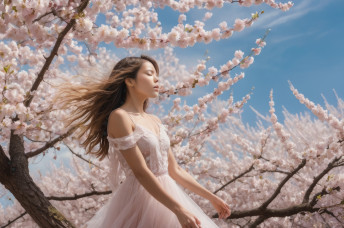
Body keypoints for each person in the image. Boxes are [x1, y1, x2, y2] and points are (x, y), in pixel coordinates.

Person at [53, 55, 231, 228]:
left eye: (156, 75)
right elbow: (141, 172)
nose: (157, 79)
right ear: (130, 81)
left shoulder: (155, 120)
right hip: (141, 199)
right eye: (149, 73)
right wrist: (178, 209)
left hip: (169, 195)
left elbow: (174, 170)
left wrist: (212, 198)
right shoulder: (120, 117)